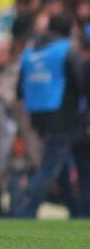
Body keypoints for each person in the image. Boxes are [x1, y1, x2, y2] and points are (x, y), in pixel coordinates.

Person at [17, 14, 89, 218]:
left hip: (37, 116)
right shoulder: (67, 50)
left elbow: (19, 90)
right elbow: (81, 82)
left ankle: (76, 212)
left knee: (61, 165)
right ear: (68, 29)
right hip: (65, 115)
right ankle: (28, 213)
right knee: (51, 167)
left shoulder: (30, 51)